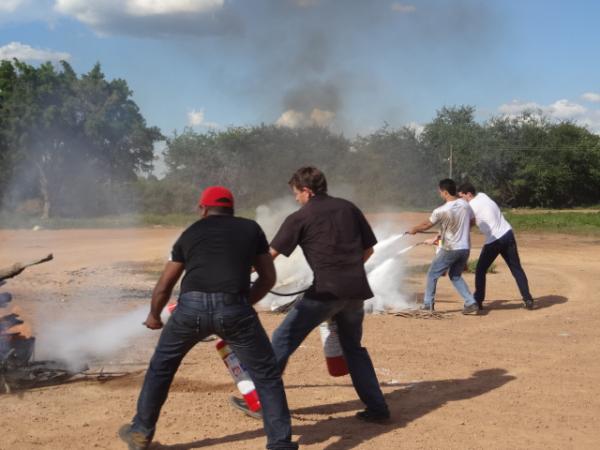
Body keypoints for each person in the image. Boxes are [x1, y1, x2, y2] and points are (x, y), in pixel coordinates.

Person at [119, 186, 297, 450]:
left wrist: (154, 316)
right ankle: (280, 444)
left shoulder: (190, 233)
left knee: (161, 368)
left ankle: (140, 432)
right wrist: (241, 305)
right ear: (232, 209)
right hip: (234, 307)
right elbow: (268, 277)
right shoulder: (251, 229)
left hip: (190, 310)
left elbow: (165, 285)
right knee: (267, 375)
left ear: (202, 209)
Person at [268, 166, 390, 424]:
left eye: (296, 193)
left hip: (325, 293)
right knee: (353, 349)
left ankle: (263, 402)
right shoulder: (348, 207)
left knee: (282, 339)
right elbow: (369, 249)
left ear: (307, 191)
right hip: (355, 291)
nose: (296, 199)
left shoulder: (299, 217)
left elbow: (269, 256)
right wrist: (348, 268)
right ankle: (378, 408)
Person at [457, 182, 534, 310]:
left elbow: (467, 223)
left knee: (480, 270)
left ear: (469, 194)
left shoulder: (470, 206)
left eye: (462, 196)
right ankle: (528, 299)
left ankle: (477, 300)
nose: (461, 200)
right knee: (516, 268)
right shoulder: (483, 195)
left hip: (494, 241)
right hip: (508, 234)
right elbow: (476, 218)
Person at [408, 179, 479, 315]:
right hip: (464, 248)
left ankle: (428, 304)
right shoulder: (465, 204)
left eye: (440, 192)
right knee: (455, 275)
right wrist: (461, 231)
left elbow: (426, 225)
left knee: (432, 274)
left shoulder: (441, 210)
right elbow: (473, 221)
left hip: (451, 248)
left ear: (445, 192)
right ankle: (470, 302)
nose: (440, 194)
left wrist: (414, 229)